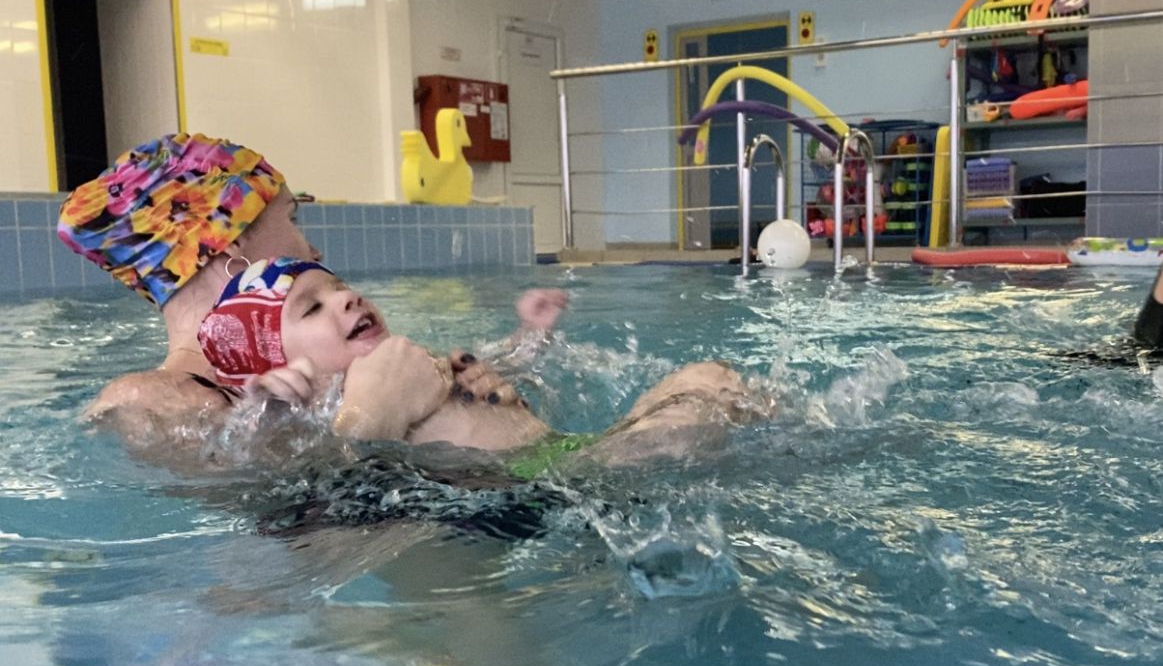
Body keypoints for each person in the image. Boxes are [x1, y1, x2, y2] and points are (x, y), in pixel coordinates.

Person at [55, 132, 517, 459]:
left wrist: (477, 393)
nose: (314, 251)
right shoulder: (146, 401)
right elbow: (281, 547)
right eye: (293, 219)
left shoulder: (319, 361)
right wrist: (375, 417)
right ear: (229, 243)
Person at [198, 257, 762, 470]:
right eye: (312, 308)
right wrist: (273, 413)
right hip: (554, 485)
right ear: (279, 364)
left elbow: (494, 372)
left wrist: (530, 337)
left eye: (340, 286)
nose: (346, 297)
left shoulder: (416, 364)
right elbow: (295, 474)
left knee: (712, 380)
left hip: (569, 460)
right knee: (704, 393)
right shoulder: (330, 413)